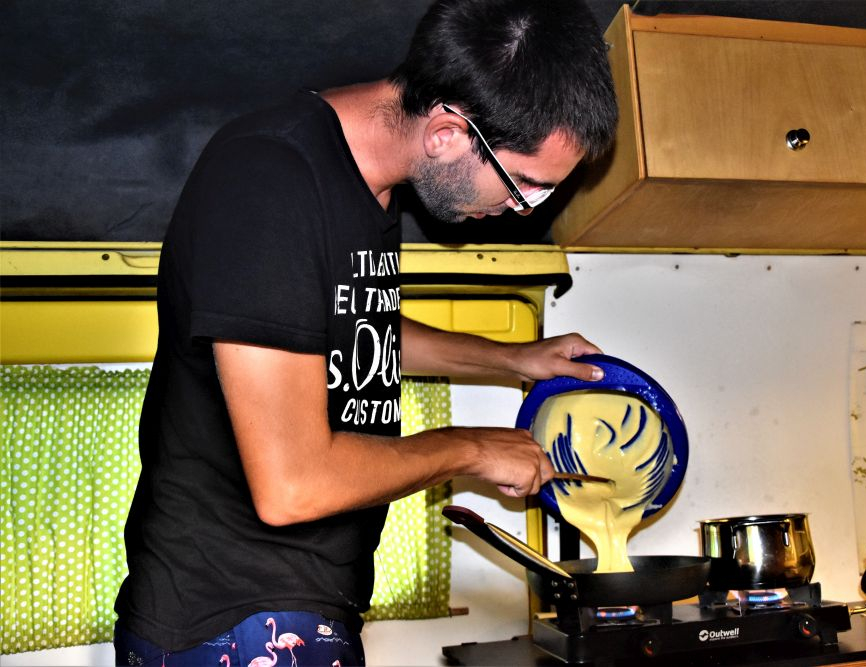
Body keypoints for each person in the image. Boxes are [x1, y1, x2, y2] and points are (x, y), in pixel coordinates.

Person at [113, 0, 618, 664]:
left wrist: (515, 358)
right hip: (231, 613)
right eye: (524, 183)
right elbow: (292, 484)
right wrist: (469, 447)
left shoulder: (368, 184)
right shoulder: (269, 183)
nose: (521, 209)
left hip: (294, 600)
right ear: (447, 133)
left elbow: (353, 326)